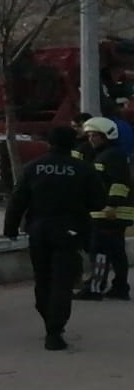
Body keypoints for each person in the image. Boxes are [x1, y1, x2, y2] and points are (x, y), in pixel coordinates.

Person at [4, 125, 107, 350]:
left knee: (43, 279)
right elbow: (99, 202)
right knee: (62, 282)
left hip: (39, 231)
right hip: (69, 233)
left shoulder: (33, 168)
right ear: (73, 144)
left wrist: (10, 229)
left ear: (49, 143)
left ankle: (48, 320)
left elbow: (17, 201)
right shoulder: (83, 169)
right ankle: (55, 330)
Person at [77, 116, 133, 301]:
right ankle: (120, 287)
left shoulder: (112, 156)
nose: (91, 139)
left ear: (107, 136)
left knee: (99, 250)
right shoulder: (107, 154)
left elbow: (120, 182)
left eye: (95, 135)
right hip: (113, 211)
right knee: (116, 252)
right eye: (90, 135)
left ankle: (95, 287)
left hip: (110, 212)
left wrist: (111, 204)